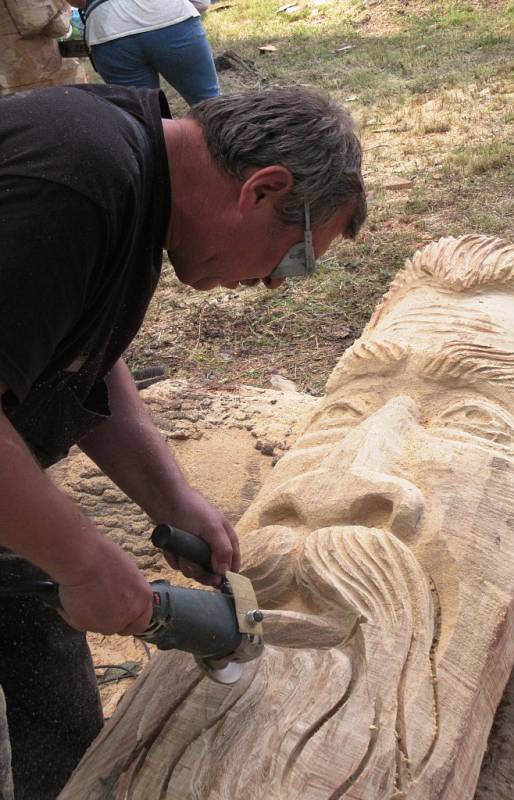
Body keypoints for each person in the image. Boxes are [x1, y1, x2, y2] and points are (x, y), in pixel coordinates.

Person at [0, 83, 366, 799]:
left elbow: (82, 360)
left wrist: (171, 497)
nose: (271, 284)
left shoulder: (131, 181)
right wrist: (84, 560)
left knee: (47, 658)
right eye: (294, 260)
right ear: (263, 190)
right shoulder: (79, 179)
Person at [71, 0, 219, 105]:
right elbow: (202, 3)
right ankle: (228, 147)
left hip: (109, 32)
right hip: (170, 16)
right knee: (210, 103)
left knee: (145, 119)